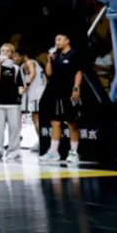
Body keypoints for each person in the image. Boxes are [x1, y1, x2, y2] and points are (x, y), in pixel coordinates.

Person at [40, 34, 83, 164]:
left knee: (72, 122)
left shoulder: (74, 54)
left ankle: (74, 152)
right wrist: (49, 60)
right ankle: (54, 152)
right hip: (55, 92)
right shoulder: (56, 56)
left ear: (67, 41)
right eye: (55, 40)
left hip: (68, 92)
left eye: (59, 39)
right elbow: (49, 73)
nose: (57, 42)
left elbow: (78, 72)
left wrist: (76, 88)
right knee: (55, 122)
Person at [0, 44, 24, 161]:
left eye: (7, 51)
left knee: (14, 128)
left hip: (13, 103)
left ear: (11, 53)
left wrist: (22, 93)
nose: (5, 53)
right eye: (3, 51)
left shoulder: (16, 68)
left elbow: (20, 85)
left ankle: (13, 152)